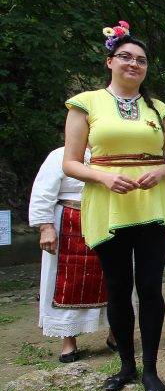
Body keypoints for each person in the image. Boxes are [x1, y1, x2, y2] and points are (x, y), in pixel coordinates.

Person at [62, 21, 165, 391]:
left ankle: (151, 371)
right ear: (110, 61)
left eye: (142, 60)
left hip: (153, 204)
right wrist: (102, 176)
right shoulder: (86, 103)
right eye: (126, 57)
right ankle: (126, 367)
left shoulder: (159, 109)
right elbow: (70, 163)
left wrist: (161, 172)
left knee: (150, 287)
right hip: (108, 203)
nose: (134, 64)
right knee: (117, 288)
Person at [29, 146, 113, 362]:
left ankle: (116, 334)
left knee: (112, 279)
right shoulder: (61, 155)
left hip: (107, 220)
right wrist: (45, 227)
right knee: (68, 283)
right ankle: (68, 341)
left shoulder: (110, 151)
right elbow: (43, 191)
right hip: (68, 220)